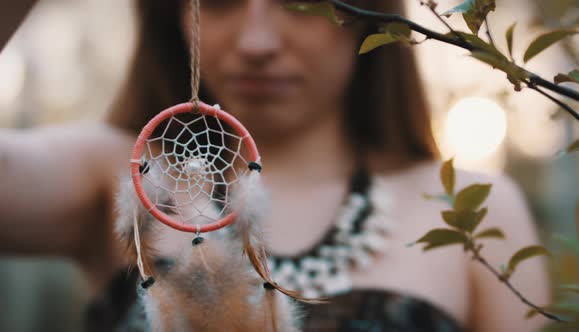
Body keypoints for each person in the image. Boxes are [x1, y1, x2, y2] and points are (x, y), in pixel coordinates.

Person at [0, 0, 550, 331]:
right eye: (219, 1)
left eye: (299, 0)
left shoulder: (471, 212)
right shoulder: (118, 173)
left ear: (363, 14)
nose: (257, 42)